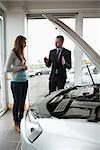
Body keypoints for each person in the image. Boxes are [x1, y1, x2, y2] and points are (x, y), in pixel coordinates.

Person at [4, 35, 28, 133]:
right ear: (20, 42)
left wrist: (24, 67)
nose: (26, 44)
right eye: (24, 42)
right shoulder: (13, 53)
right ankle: (16, 123)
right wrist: (21, 68)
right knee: (17, 103)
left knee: (22, 103)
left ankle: (21, 120)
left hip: (24, 81)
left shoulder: (21, 53)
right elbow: (6, 69)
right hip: (16, 83)